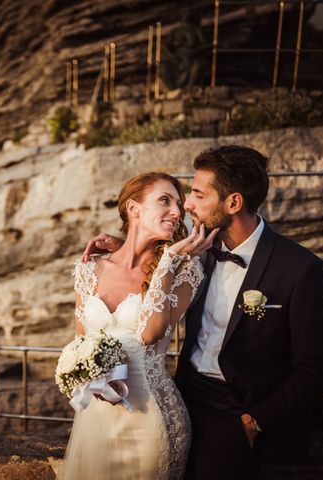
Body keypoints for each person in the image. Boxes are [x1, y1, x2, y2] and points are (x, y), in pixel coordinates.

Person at [82, 145, 323, 480]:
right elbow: (158, 246)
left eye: (198, 194)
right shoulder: (199, 252)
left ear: (233, 203)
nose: (187, 205)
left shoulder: (301, 270)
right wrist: (125, 246)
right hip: (181, 399)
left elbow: (315, 370)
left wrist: (254, 423)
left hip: (239, 415)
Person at [59, 172, 217, 480]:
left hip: (150, 421)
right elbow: (80, 343)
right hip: (95, 421)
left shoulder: (185, 270)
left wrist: (168, 261)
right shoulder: (89, 269)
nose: (177, 211)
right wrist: (85, 374)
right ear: (133, 209)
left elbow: (149, 334)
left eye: (179, 204)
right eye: (165, 200)